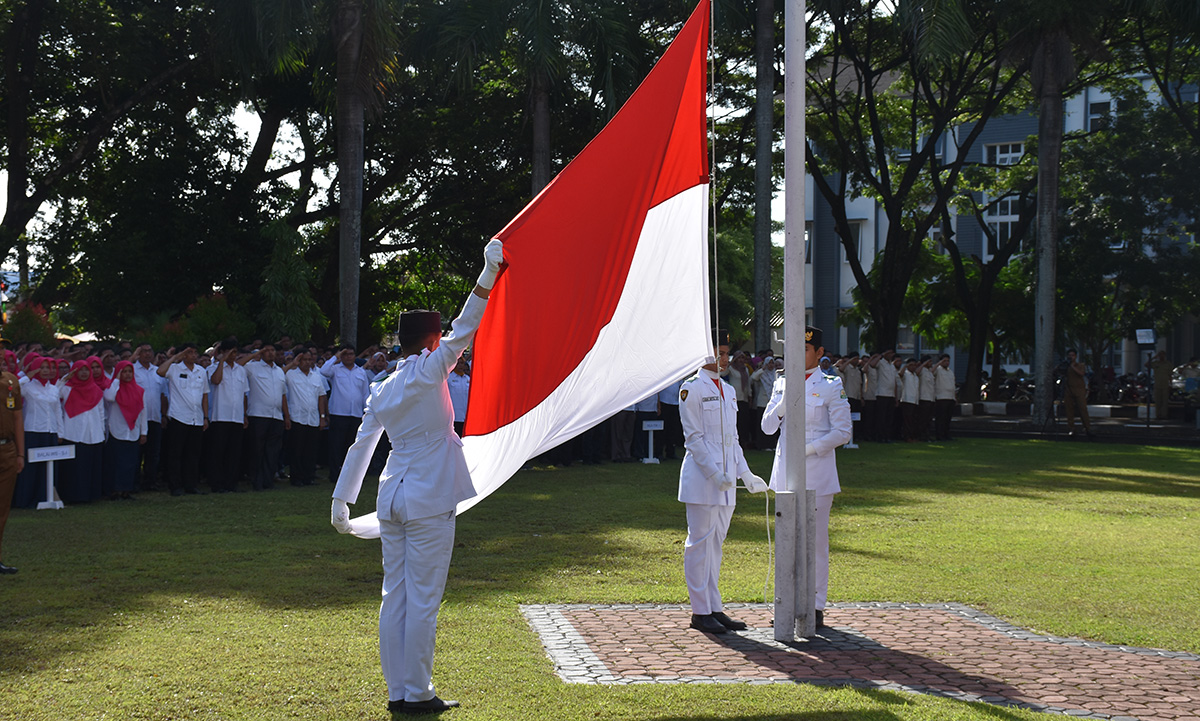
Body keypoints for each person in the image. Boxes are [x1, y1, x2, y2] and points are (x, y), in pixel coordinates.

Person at [331, 238, 505, 716]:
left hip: (393, 494)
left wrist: (342, 500)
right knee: (422, 600)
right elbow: (466, 327)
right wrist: (486, 275)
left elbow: (361, 444)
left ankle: (400, 690)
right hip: (428, 498)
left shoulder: (382, 386)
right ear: (431, 341)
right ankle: (417, 692)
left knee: (396, 597)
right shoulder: (430, 369)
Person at [677, 329, 767, 635]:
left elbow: (733, 441)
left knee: (716, 546)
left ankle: (713, 607)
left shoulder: (728, 390)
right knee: (699, 545)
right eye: (719, 352)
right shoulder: (692, 389)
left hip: (727, 481)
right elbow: (695, 440)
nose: (724, 358)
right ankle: (699, 611)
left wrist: (746, 474)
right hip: (704, 481)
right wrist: (715, 474)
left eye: (726, 353)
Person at [761, 326, 851, 628]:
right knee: (786, 541)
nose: (798, 356)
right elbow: (767, 427)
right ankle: (785, 601)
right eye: (794, 351)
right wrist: (782, 405)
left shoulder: (830, 385)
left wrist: (808, 450)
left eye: (806, 350)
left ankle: (814, 605)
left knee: (815, 542)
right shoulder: (781, 382)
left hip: (817, 473)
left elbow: (843, 431)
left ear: (819, 353)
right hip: (785, 473)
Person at [158, 344, 210, 496]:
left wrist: (205, 417)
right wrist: (175, 357)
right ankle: (175, 486)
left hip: (197, 417)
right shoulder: (175, 369)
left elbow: (205, 395)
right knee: (176, 454)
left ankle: (191, 485)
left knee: (193, 454)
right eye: (189, 353)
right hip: (179, 416)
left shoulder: (201, 371)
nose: (193, 355)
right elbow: (160, 371)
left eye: (195, 352)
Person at [240, 344, 289, 490]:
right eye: (266, 350)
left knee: (272, 451)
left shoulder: (279, 371)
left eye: (272, 350)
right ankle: (256, 480)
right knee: (257, 450)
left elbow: (283, 395)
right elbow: (237, 364)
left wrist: (286, 416)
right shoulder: (252, 367)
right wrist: (256, 353)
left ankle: (268, 480)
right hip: (258, 415)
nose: (270, 353)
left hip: (276, 416)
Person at [58, 361, 107, 503]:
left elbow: (101, 412)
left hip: (94, 434)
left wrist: (102, 432)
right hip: (73, 433)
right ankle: (74, 496)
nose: (84, 373)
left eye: (87, 370)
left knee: (91, 467)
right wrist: (66, 378)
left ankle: (91, 496)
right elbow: (54, 393)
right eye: (80, 370)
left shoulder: (96, 390)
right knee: (75, 468)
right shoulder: (67, 389)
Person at [322, 344, 373, 483]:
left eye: (350, 354)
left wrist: (366, 413)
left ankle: (349, 476)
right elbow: (323, 371)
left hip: (355, 414)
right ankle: (334, 475)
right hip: (339, 413)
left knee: (351, 446)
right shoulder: (335, 369)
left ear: (355, 356)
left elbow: (365, 394)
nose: (348, 357)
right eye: (345, 354)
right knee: (335, 446)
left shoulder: (360, 372)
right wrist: (336, 356)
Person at [14, 357, 58, 508]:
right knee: (31, 468)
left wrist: (60, 432)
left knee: (47, 468)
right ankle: (25, 500)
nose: (46, 371)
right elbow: (12, 388)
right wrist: (28, 376)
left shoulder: (53, 388)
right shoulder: (28, 386)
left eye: (49, 367)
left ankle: (43, 498)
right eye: (43, 367)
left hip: (50, 431)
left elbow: (57, 411)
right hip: (33, 431)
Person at [206, 342, 249, 493]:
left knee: (234, 452)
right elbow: (216, 380)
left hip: (236, 417)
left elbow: (244, 394)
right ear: (223, 352)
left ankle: (231, 483)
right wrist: (222, 361)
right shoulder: (213, 368)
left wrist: (244, 414)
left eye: (235, 352)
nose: (234, 355)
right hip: (220, 416)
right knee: (218, 452)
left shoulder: (241, 371)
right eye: (230, 352)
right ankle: (217, 484)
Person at [102, 361, 147, 499]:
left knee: (130, 462)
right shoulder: (114, 388)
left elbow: (143, 412)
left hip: (133, 431)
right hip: (117, 429)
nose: (127, 375)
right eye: (124, 371)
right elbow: (109, 397)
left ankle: (126, 490)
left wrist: (143, 432)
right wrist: (116, 380)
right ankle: (115, 490)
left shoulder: (139, 390)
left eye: (130, 372)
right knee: (116, 462)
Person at [283, 350, 328, 486]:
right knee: (297, 450)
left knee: (311, 450)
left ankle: (309, 477)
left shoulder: (316, 377)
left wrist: (322, 416)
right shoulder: (291, 374)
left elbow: (321, 396)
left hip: (313, 418)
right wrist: (293, 364)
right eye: (304, 359)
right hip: (297, 417)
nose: (308, 362)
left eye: (310, 359)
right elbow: (278, 375)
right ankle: (296, 478)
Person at [0, 360, 25, 574]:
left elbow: (17, 417)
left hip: (7, 448)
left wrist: (20, 453)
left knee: (2, 508)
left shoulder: (10, 381)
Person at [133, 345, 165, 491]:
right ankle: (135, 481)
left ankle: (150, 481)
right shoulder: (132, 370)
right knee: (138, 452)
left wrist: (164, 414)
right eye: (143, 351)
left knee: (153, 453)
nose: (147, 354)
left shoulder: (157, 371)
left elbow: (163, 395)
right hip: (138, 418)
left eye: (149, 351)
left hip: (155, 417)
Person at [1062, 349, 1094, 438]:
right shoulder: (1066, 366)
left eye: (1072, 355)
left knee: (1083, 409)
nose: (1070, 357)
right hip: (1068, 390)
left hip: (1079, 390)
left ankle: (1087, 428)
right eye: (1069, 355)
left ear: (1075, 356)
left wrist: (1072, 366)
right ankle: (1071, 428)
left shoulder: (1080, 365)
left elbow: (1081, 373)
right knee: (1069, 410)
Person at [933, 354, 957, 441]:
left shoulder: (950, 371)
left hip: (950, 397)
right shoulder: (938, 370)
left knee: (947, 418)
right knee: (941, 418)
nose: (947, 363)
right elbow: (932, 372)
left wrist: (955, 397)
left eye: (948, 361)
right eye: (945, 361)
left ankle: (946, 434)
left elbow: (953, 385)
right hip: (941, 397)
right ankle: (940, 435)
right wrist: (939, 363)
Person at [446, 357, 470, 437]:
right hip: (454, 415)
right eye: (458, 363)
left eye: (462, 363)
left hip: (465, 414)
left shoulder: (467, 379)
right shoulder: (449, 378)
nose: (460, 365)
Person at [1147, 351, 1171, 421]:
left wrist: (1170, 384)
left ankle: (1164, 415)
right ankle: (1158, 415)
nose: (1161, 356)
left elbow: (1170, 375)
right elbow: (1146, 365)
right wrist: (1153, 358)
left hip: (1165, 384)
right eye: (1160, 355)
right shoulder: (1155, 363)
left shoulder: (1168, 364)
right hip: (1157, 384)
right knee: (1158, 401)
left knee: (1165, 401)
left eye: (1162, 355)